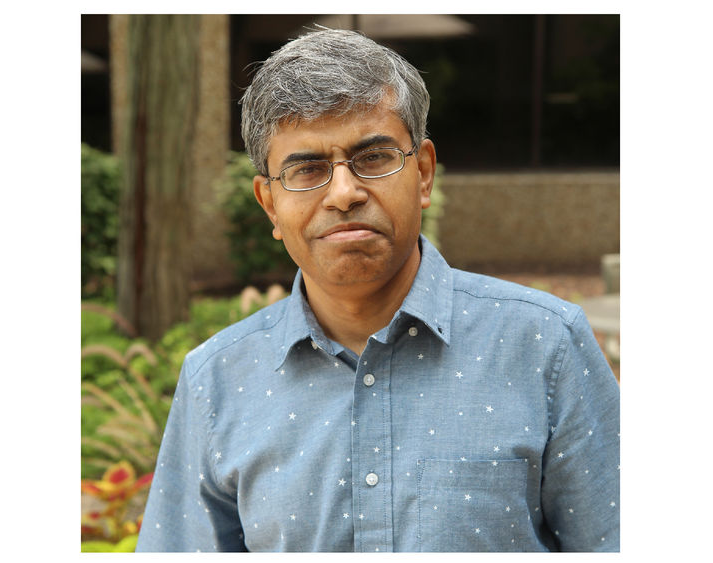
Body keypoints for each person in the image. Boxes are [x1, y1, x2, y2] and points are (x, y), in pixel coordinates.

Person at [136, 28, 619, 553]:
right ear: (270, 204)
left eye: (373, 158)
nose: (344, 193)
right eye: (307, 169)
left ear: (425, 174)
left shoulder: (543, 345)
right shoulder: (218, 381)